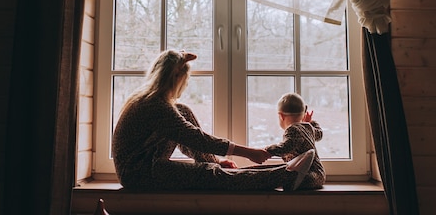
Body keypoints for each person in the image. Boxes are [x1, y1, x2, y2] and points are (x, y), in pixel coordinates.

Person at [111, 49, 315, 191]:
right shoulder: (155, 105)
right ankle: (287, 174)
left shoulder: (155, 101)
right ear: (175, 78)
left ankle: (213, 164)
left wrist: (215, 160)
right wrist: (247, 152)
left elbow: (187, 137)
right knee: (207, 174)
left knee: (182, 110)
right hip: (138, 174)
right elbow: (194, 138)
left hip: (147, 164)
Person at [265, 92, 326, 189]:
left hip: (310, 174)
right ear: (303, 114)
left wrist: (268, 150)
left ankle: (294, 182)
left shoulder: (292, 129)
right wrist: (311, 122)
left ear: (281, 116)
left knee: (287, 179)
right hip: (319, 174)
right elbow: (319, 134)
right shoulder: (307, 127)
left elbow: (285, 148)